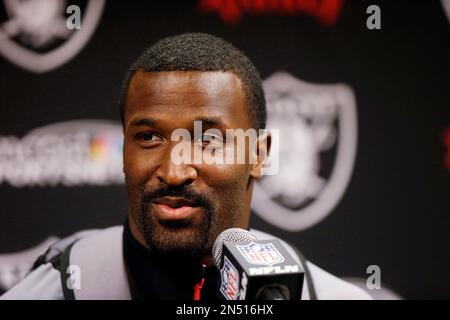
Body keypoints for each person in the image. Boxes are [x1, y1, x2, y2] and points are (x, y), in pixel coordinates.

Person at [1, 33, 371, 300]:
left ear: (259, 155)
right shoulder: (54, 291)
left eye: (209, 140)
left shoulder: (328, 296)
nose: (175, 172)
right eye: (149, 138)